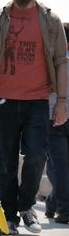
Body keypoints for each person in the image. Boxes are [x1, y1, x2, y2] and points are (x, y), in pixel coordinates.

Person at [0, 0, 68, 235]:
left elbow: (61, 62)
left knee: (37, 156)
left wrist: (61, 101)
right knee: (6, 163)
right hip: (4, 100)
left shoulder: (50, 20)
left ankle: (26, 206)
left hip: (38, 100)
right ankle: (9, 215)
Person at [45, 23, 69, 224]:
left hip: (52, 117)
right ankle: (64, 208)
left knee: (59, 166)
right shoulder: (52, 61)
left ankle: (54, 202)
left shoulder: (51, 60)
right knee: (60, 166)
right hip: (54, 120)